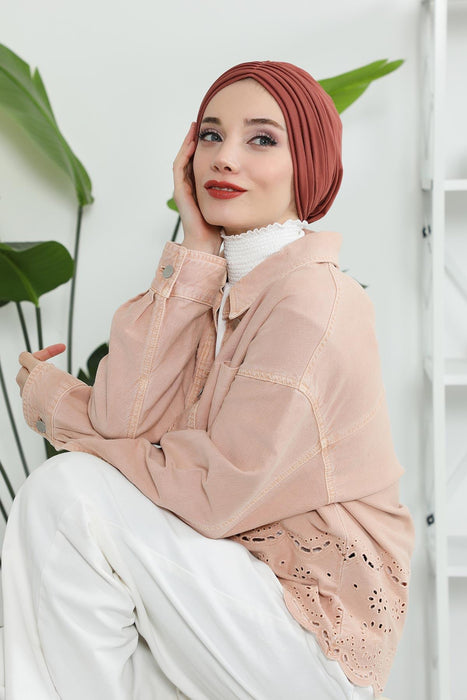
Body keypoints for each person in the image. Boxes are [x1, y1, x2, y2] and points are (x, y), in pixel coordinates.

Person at [2, 60, 414, 700]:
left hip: (313, 640)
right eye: (212, 135)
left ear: (307, 164)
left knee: (65, 495)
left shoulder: (315, 301)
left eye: (262, 138)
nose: (225, 157)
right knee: (71, 615)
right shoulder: (218, 294)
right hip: (225, 609)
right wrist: (196, 250)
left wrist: (57, 404)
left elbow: (215, 493)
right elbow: (124, 424)